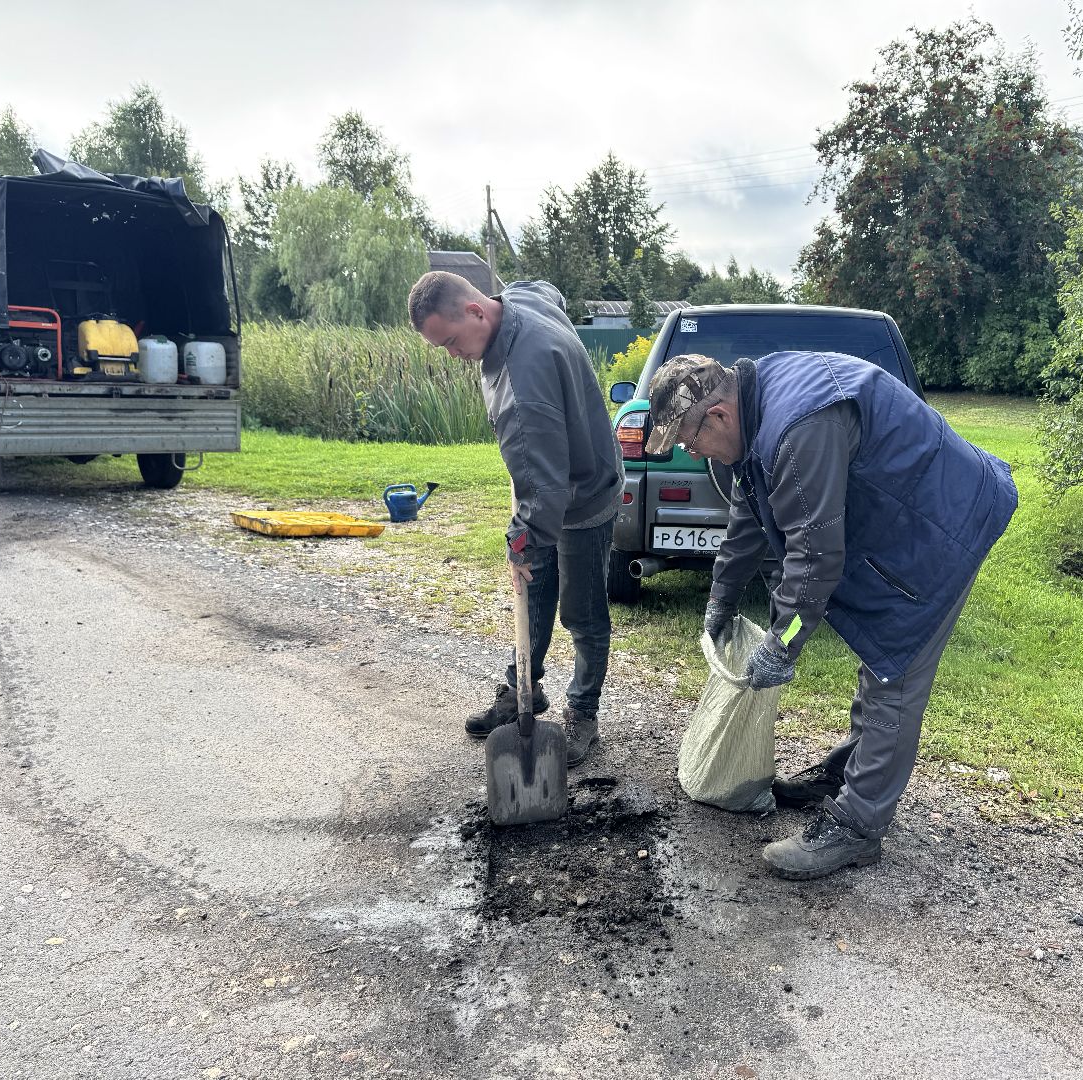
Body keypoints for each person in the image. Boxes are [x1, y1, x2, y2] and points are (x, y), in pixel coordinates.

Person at [644, 351, 1017, 880]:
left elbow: (815, 557)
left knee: (894, 670)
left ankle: (857, 826)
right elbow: (750, 516)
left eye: (689, 440)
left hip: (944, 527)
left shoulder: (798, 428)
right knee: (878, 655)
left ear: (719, 416)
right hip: (904, 519)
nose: (692, 450)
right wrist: (721, 598)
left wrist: (783, 642)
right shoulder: (754, 411)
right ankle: (848, 771)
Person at [408, 271, 622, 766]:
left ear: (476, 311)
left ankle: (583, 713)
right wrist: (530, 543)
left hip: (586, 492)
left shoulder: (523, 385)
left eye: (452, 341)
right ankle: (523, 687)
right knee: (536, 592)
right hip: (556, 480)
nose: (452, 354)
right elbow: (549, 287)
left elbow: (546, 486)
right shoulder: (522, 300)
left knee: (582, 612)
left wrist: (520, 544)